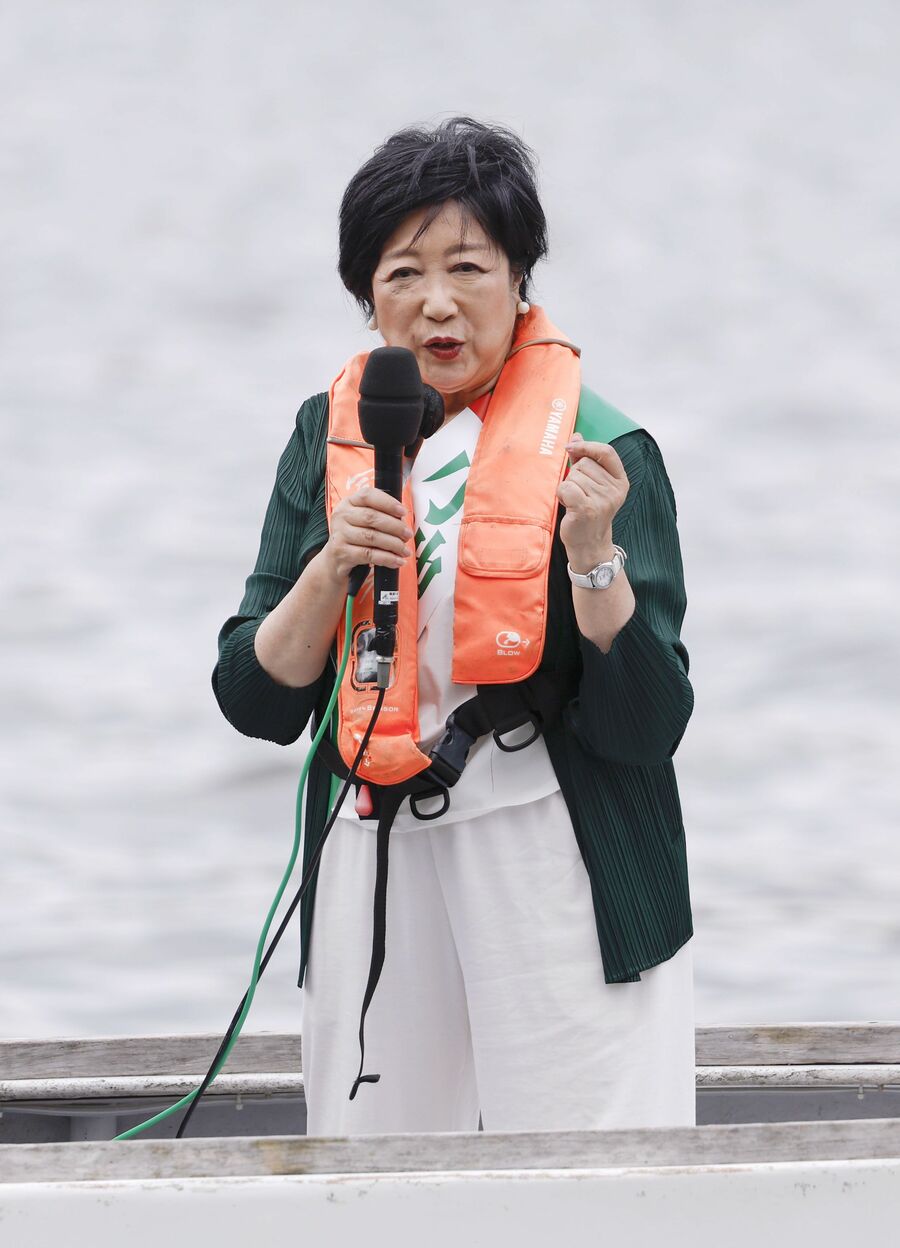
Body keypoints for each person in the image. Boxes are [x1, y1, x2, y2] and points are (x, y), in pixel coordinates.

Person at [213, 117, 696, 1137]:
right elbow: (255, 700)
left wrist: (592, 554)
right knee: (369, 1173)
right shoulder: (327, 434)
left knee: (589, 1167)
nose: (436, 302)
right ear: (367, 295)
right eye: (402, 274)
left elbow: (649, 725)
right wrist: (329, 570)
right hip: (372, 843)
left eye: (468, 267)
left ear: (521, 278)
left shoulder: (606, 449)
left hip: (553, 844)